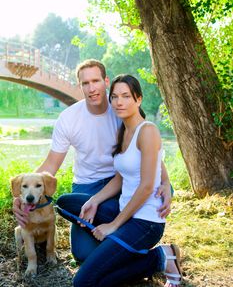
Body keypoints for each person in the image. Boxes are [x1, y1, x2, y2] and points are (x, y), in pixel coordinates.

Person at [13, 59, 172, 262]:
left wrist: (166, 182)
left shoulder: (121, 108)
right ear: (80, 86)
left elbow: (148, 151)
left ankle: (119, 229)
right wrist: (23, 192)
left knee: (159, 190)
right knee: (82, 253)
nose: (91, 88)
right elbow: (51, 164)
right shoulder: (68, 118)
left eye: (96, 81)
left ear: (106, 81)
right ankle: (117, 233)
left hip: (122, 183)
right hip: (87, 186)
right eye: (85, 83)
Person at [56, 74, 182, 287]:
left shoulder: (147, 131)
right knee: (65, 203)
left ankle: (161, 257)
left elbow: (146, 187)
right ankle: (114, 250)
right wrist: (95, 200)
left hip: (145, 223)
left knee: (84, 282)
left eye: (126, 96)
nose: (119, 102)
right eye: (114, 97)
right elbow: (120, 177)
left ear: (138, 99)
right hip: (126, 211)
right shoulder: (125, 130)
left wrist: (112, 226)